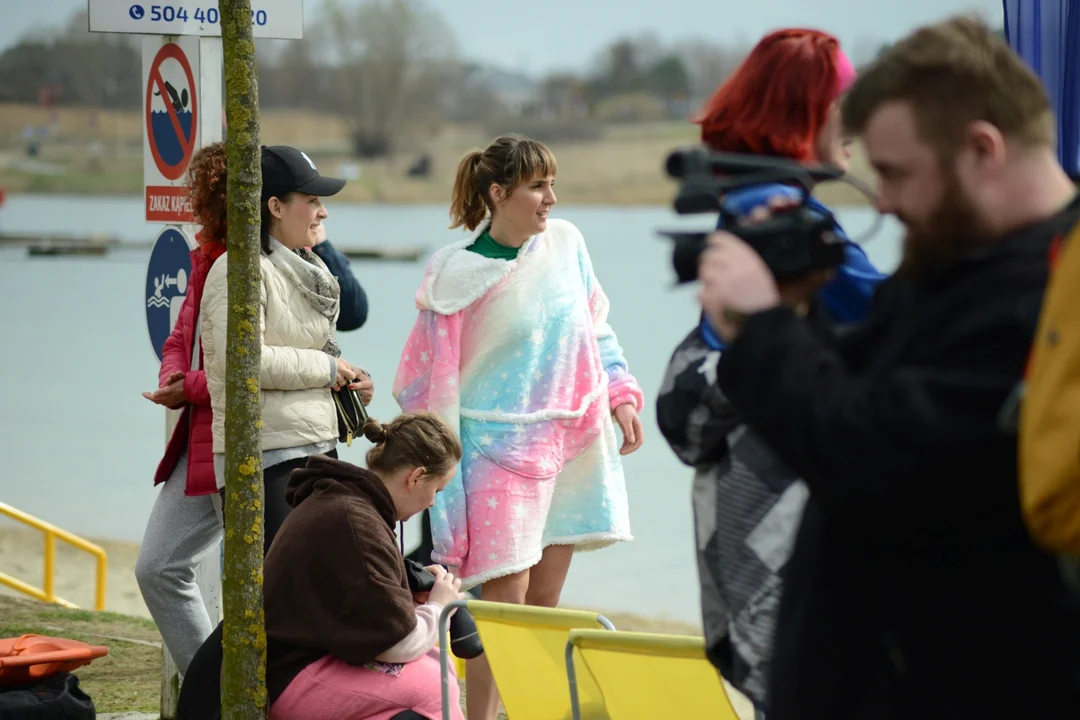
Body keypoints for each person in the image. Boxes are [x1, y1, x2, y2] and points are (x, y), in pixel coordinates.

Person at [697, 16, 1080, 718]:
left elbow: (875, 454)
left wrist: (765, 332)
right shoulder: (964, 259)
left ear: (982, 149)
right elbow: (863, 382)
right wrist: (799, 301)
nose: (886, 202)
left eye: (899, 175)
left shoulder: (1056, 291)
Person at [656, 28, 885, 717]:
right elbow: (890, 319)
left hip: (744, 496)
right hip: (782, 502)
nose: (863, 120)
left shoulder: (748, 206)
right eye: (848, 99)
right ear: (807, 111)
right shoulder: (780, 218)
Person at [392, 133, 644, 720]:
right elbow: (431, 386)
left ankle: (525, 713)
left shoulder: (566, 243)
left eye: (552, 184)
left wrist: (622, 393)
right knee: (504, 607)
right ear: (499, 193)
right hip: (493, 453)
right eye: (538, 186)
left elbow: (596, 327)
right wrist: (440, 475)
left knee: (546, 604)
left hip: (573, 442)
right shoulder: (455, 275)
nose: (551, 198)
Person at [200, 144, 373, 555]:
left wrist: (346, 379)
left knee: (313, 593)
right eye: (312, 200)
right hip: (266, 458)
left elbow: (334, 329)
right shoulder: (237, 270)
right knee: (280, 596)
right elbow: (244, 361)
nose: (323, 211)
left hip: (315, 445)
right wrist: (328, 369)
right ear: (275, 206)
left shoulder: (306, 267)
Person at [265, 413, 465, 720]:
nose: (432, 504)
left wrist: (408, 600)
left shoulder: (346, 503)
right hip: (295, 678)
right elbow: (396, 642)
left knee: (436, 667)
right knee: (437, 686)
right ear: (415, 477)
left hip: (297, 667)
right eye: (437, 491)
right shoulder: (356, 522)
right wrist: (440, 607)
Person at [134, 143, 229, 675]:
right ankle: (210, 692)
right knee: (157, 567)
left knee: (255, 584)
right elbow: (179, 336)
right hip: (197, 441)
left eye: (200, 194)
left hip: (244, 447)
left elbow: (248, 376)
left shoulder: (254, 267)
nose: (194, 204)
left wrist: (186, 388)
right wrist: (172, 376)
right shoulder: (202, 259)